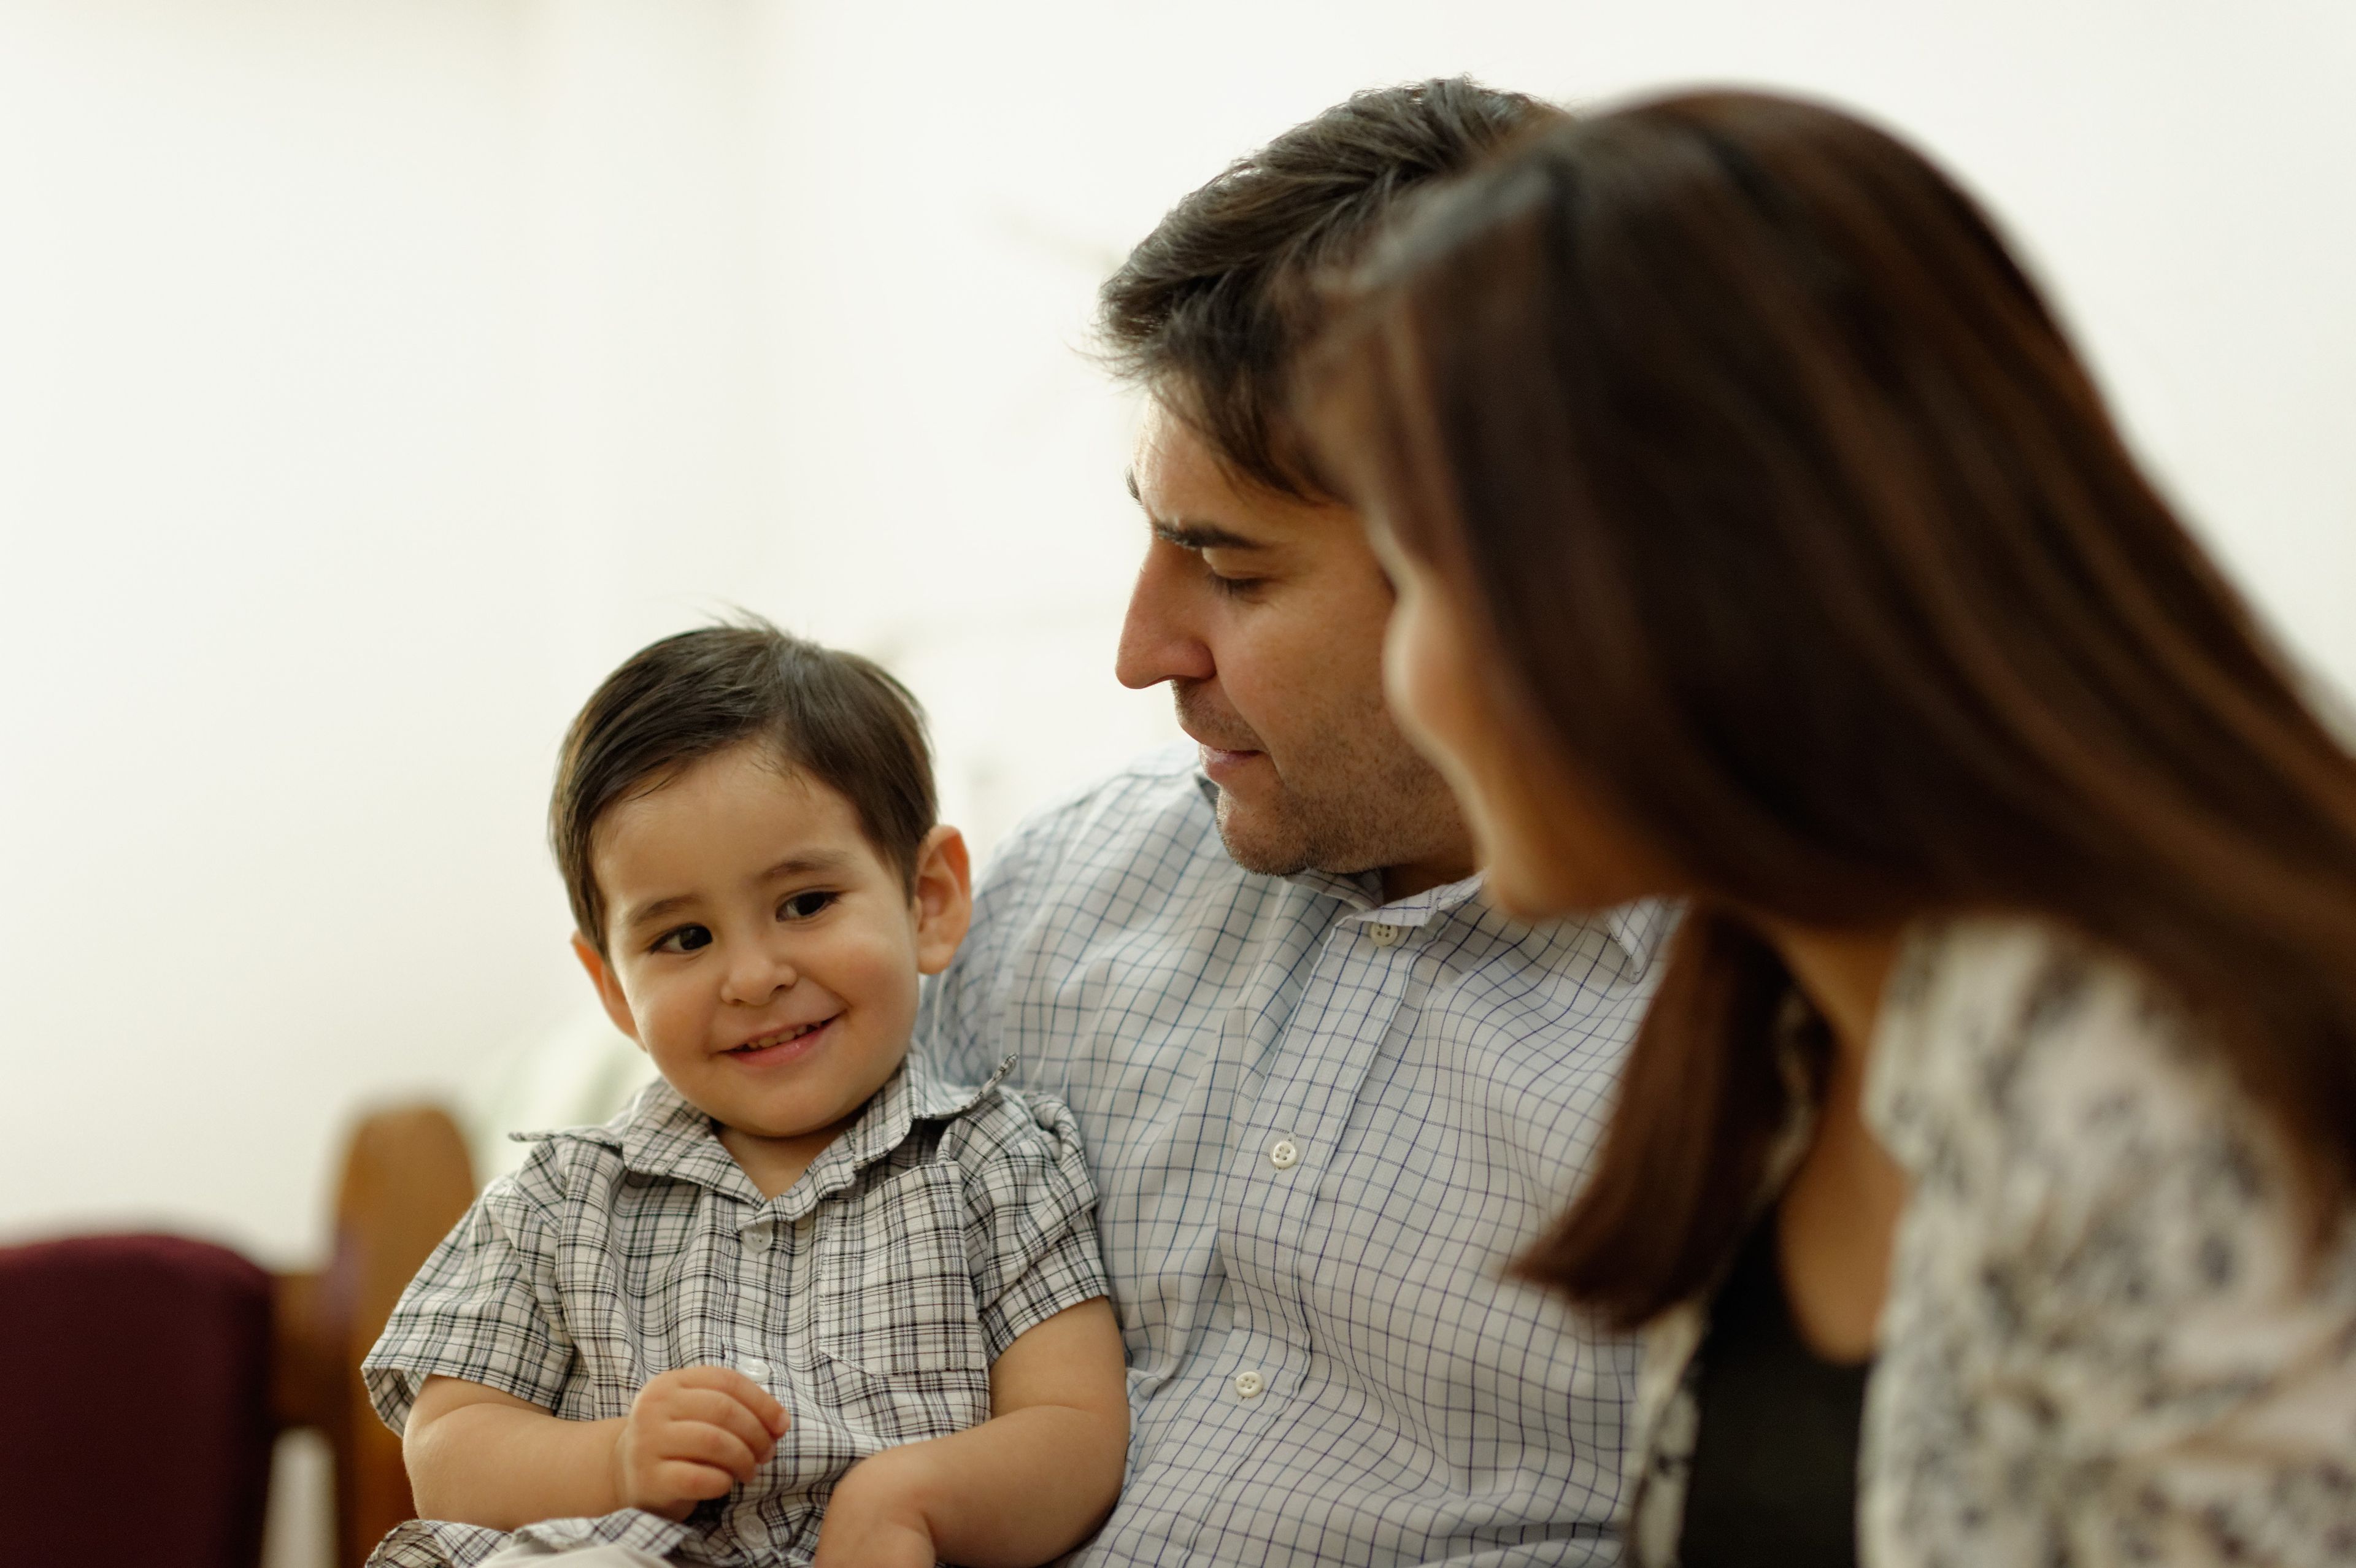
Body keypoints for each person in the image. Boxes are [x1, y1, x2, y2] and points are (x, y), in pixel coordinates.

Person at [1302, 89, 2356, 1567]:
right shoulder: (1780, 1022)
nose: (1409, 681)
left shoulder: (2129, 1059)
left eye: (1424, 579)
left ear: (1677, 574)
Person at [919, 79, 1670, 1568]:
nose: (1139, 652)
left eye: (1233, 573)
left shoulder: (1775, 1027)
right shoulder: (1068, 891)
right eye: (1150, 532)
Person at [362, 621, 1127, 1568]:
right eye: (683, 939)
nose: (754, 977)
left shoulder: (1000, 1163)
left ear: (928, 900)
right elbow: (446, 1453)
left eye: (805, 904)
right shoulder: (557, 1203)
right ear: (613, 988)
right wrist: (615, 1457)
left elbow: (1076, 1429)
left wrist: (911, 1500)